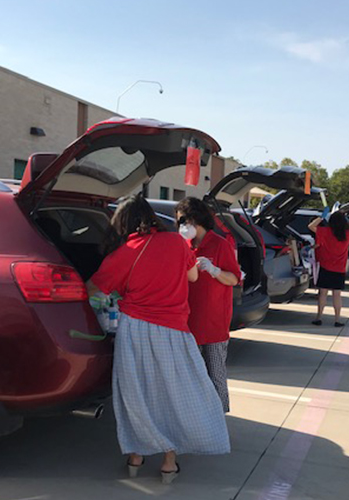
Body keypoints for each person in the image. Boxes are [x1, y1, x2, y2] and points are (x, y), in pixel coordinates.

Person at [87, 194, 229, 484]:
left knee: (136, 393)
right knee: (172, 394)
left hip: (134, 331)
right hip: (175, 331)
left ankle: (136, 456)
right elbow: (192, 277)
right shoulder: (177, 242)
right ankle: (168, 460)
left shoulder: (123, 251)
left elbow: (93, 290)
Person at [176, 197, 240, 413]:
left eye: (183, 221)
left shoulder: (220, 245)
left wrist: (215, 271)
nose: (181, 227)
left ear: (196, 219)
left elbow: (234, 279)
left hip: (213, 325)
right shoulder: (184, 246)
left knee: (215, 376)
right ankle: (196, 417)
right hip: (187, 323)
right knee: (190, 376)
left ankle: (219, 419)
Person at [308, 212, 349, 326]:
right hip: (339, 268)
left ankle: (319, 317)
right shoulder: (347, 234)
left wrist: (321, 217)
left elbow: (311, 226)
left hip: (325, 266)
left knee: (323, 293)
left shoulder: (326, 231)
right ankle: (337, 319)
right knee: (337, 295)